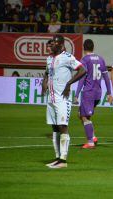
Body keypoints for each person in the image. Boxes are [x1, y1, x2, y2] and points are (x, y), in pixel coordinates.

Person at [41, 35, 86, 168]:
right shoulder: (49, 59)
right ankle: (57, 158)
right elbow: (47, 73)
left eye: (55, 43)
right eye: (52, 43)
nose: (52, 45)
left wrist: (68, 84)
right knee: (55, 128)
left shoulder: (67, 57)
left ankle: (63, 160)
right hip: (51, 98)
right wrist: (44, 83)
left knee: (63, 127)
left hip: (62, 98)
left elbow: (83, 70)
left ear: (61, 45)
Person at [74, 39, 112, 149]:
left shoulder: (85, 60)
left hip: (89, 92)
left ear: (83, 47)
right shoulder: (101, 59)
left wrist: (76, 95)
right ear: (93, 47)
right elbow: (106, 77)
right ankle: (93, 137)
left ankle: (90, 142)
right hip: (98, 93)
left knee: (84, 117)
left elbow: (82, 79)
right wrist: (109, 93)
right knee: (81, 114)